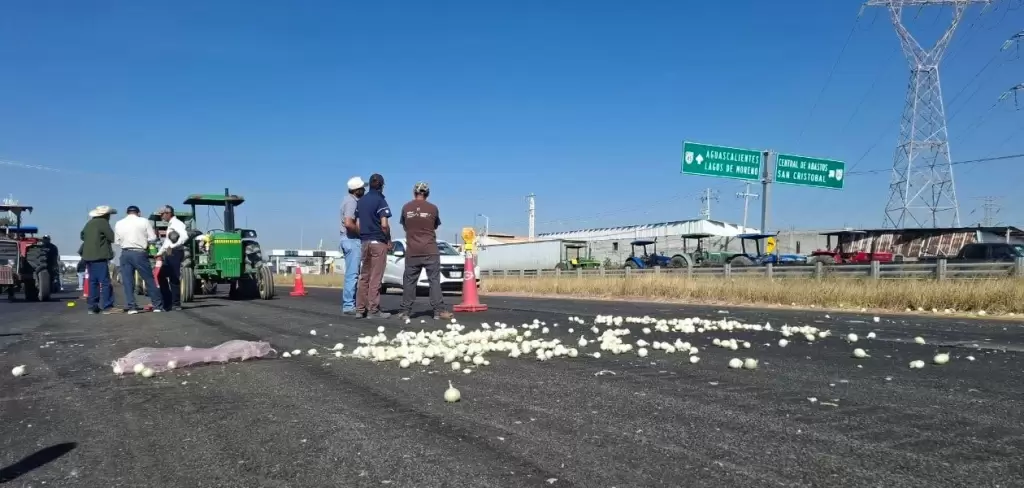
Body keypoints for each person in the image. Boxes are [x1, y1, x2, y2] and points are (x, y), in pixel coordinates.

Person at [396, 182, 453, 321]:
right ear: (427, 194)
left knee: (409, 281)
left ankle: (405, 311)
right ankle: (439, 311)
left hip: (412, 250)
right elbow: (434, 226)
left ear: (414, 193)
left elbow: (405, 226)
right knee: (434, 281)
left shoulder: (406, 207)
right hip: (430, 250)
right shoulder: (433, 208)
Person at [354, 173, 392, 319]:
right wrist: (387, 239)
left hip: (365, 241)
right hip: (378, 241)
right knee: (376, 276)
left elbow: (357, 224)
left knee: (364, 275)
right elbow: (384, 224)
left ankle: (360, 308)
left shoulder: (361, 201)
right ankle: (373, 310)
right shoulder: (381, 201)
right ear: (382, 185)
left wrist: (363, 235)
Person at [114, 205, 164, 314]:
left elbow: (117, 242)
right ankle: (157, 305)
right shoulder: (144, 221)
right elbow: (152, 238)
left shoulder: (119, 223)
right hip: (140, 253)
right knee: (149, 279)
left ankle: (132, 307)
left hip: (125, 253)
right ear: (139, 213)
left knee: (128, 281)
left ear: (127, 213)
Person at [80, 205, 117, 314]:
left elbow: (82, 236)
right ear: (106, 215)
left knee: (93, 282)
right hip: (99, 256)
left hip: (88, 256)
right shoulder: (103, 223)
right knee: (105, 282)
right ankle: (107, 306)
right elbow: (112, 237)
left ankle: (93, 306)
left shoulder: (89, 223)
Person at [340, 176, 366, 316]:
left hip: (348, 240)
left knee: (352, 273)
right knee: (353, 274)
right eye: (362, 188)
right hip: (351, 240)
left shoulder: (349, 200)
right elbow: (349, 223)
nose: (364, 190)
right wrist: (361, 234)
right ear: (356, 190)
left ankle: (350, 303)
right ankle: (349, 305)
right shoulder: (351, 202)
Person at [156, 205, 189, 311]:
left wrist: (173, 246)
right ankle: (169, 301)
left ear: (169, 213)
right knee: (161, 275)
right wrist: (160, 252)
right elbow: (167, 241)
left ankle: (175, 303)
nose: (161, 217)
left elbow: (185, 236)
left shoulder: (177, 223)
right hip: (170, 252)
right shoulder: (171, 225)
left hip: (175, 252)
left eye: (162, 214)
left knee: (174, 277)